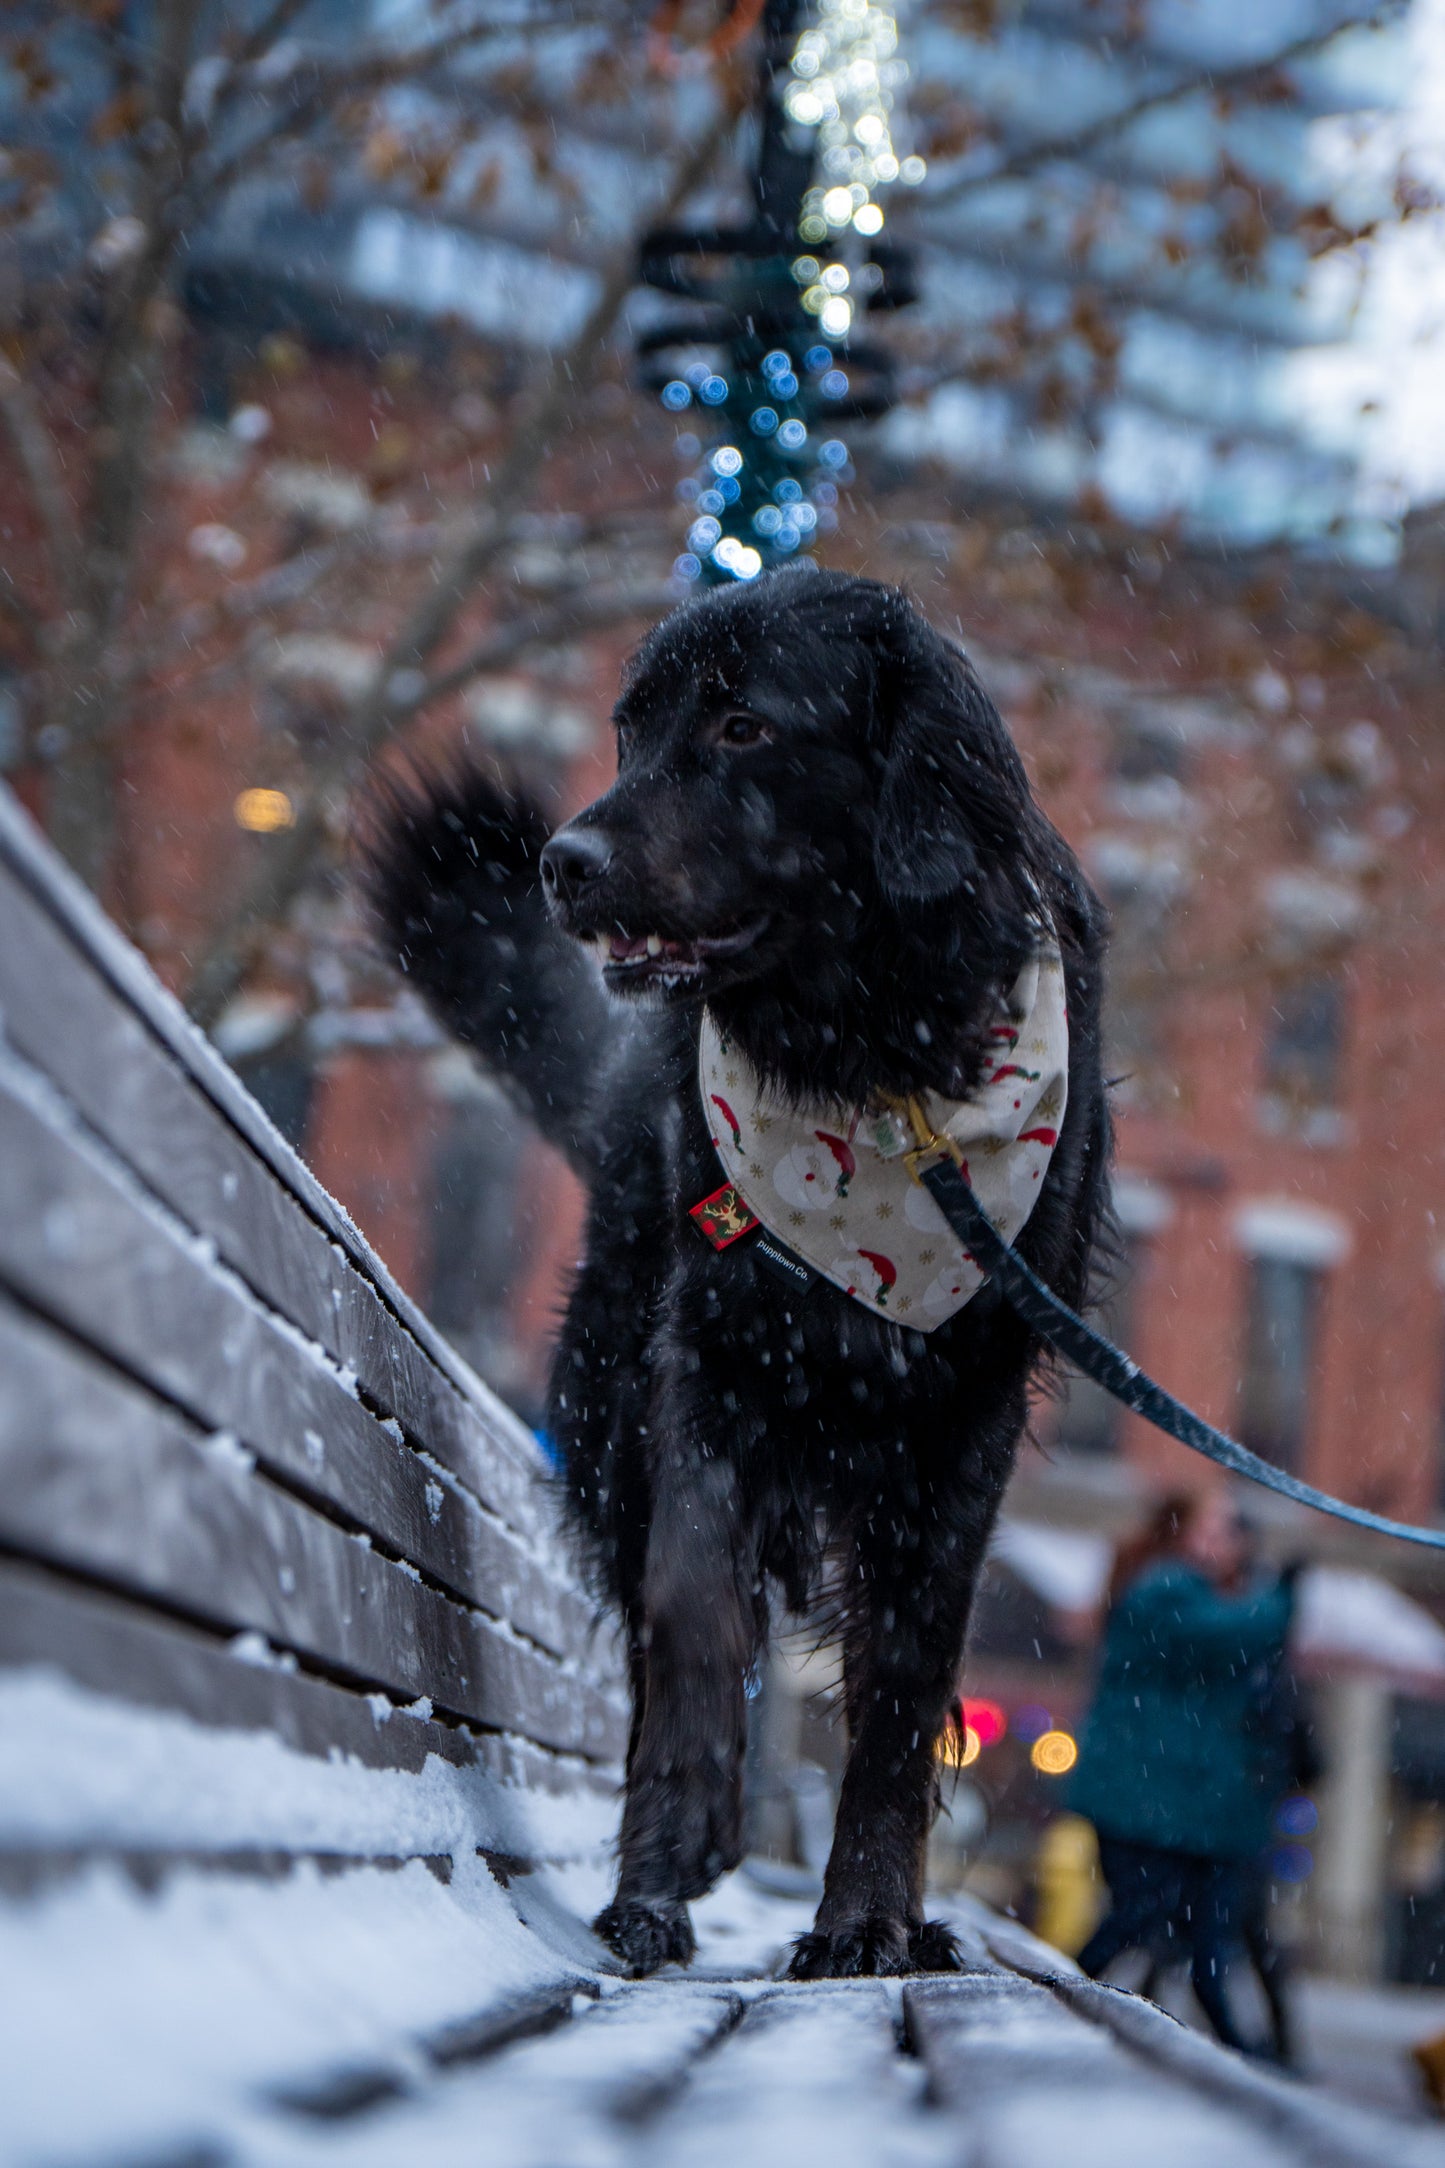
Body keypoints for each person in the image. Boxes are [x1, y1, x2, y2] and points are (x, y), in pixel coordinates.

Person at [1068, 1490, 1296, 2056]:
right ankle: (1057, 1993)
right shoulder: (1167, 1586)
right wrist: (1285, 1592)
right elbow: (1236, 1633)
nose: (1233, 1542)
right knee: (1143, 1916)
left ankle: (1063, 1994)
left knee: (1153, 1921)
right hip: (1145, 1798)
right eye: (1219, 1528)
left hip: (1155, 1799)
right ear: (1180, 1533)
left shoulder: (1169, 1588)